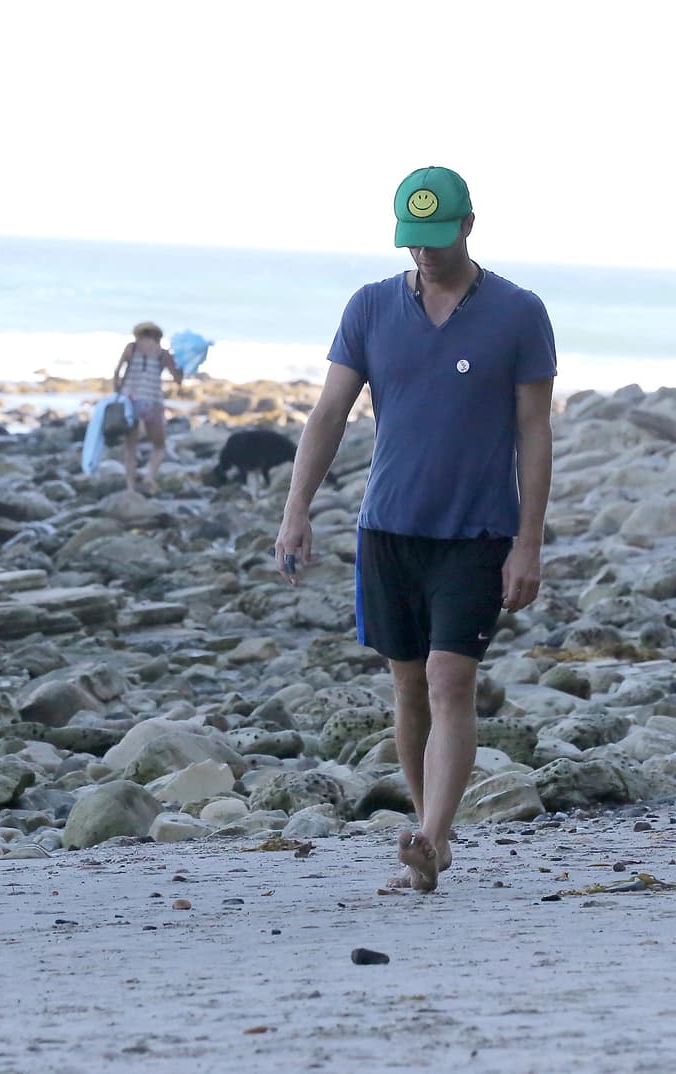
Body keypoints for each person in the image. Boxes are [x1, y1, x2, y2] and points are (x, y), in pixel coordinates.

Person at [274, 166, 556, 892]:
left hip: (477, 532)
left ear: (468, 224)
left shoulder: (519, 312)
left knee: (448, 678)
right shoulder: (370, 307)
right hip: (389, 528)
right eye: (412, 241)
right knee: (407, 688)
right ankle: (431, 837)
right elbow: (330, 413)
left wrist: (529, 542)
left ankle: (431, 835)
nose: (424, 254)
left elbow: (534, 432)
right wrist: (296, 508)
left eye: (436, 239)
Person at [112, 321, 183, 493]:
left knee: (130, 448)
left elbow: (117, 373)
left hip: (129, 403)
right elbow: (178, 379)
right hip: (152, 402)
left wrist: (117, 393)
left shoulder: (131, 348)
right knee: (159, 446)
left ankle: (130, 488)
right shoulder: (163, 354)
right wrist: (184, 366)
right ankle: (149, 477)